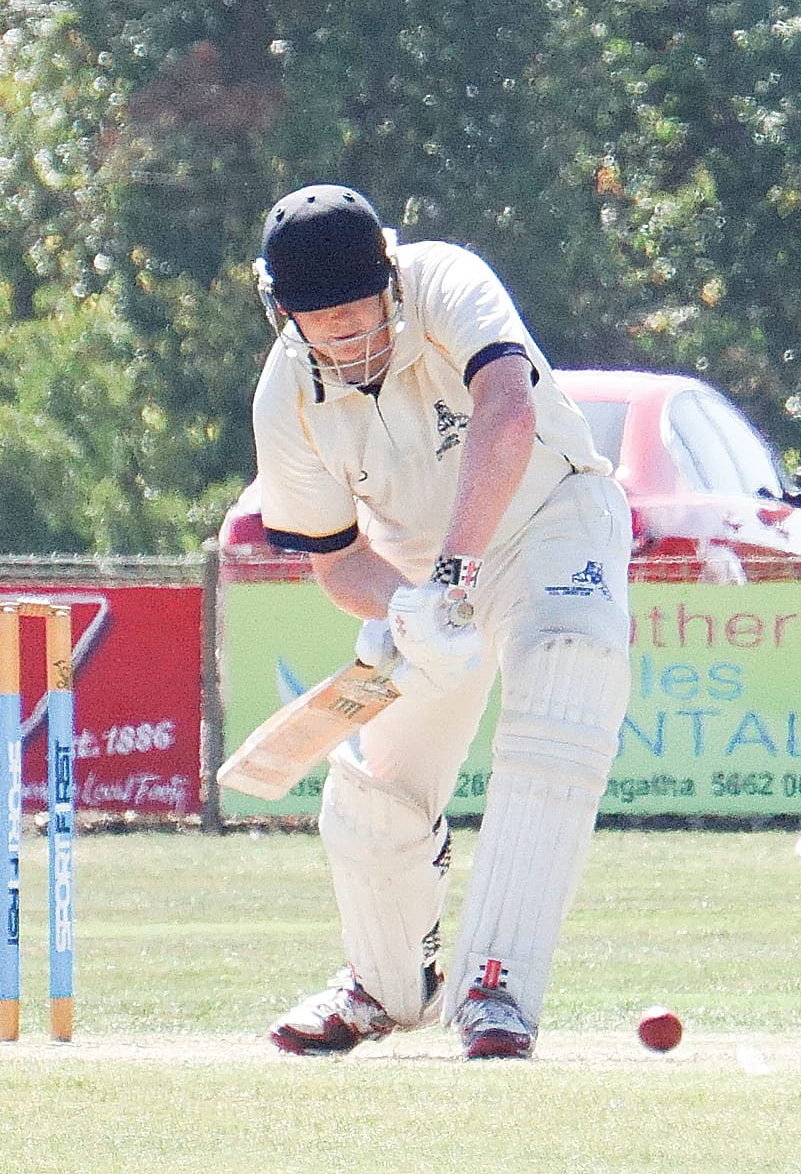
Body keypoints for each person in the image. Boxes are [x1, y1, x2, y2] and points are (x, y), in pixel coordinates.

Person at [247, 185, 631, 1059]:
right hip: (417, 577)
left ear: (388, 275)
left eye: (357, 311)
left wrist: (449, 581)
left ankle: (495, 985)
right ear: (281, 310)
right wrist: (403, 610)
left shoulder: (448, 280)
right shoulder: (285, 401)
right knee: (376, 787)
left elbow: (506, 408)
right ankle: (382, 985)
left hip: (549, 520)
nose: (344, 336)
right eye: (320, 320)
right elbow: (337, 558)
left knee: (565, 681)